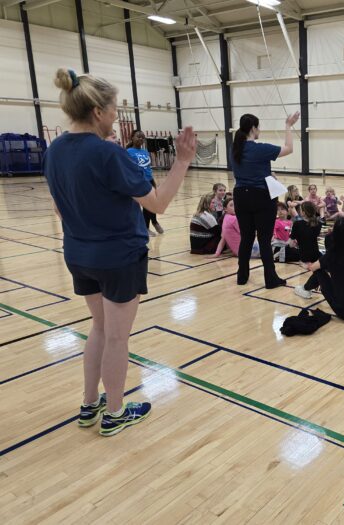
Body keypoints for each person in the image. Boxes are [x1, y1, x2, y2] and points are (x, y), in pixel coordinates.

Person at [44, 68, 195, 436]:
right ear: (98, 112)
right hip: (118, 258)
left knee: (99, 329)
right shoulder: (108, 154)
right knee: (116, 338)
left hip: (78, 256)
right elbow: (157, 203)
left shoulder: (55, 149)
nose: (117, 117)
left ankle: (88, 403)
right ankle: (114, 412)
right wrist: (182, 161)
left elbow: (60, 209)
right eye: (114, 110)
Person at [232, 111, 300, 289]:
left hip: (240, 195)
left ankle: (242, 276)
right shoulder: (260, 148)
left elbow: (248, 170)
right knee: (264, 238)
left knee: (246, 238)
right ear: (253, 128)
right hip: (261, 196)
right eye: (258, 127)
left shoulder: (235, 150)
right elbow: (289, 148)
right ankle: (270, 279)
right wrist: (288, 126)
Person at [127, 130, 163, 236]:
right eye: (138, 137)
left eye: (143, 138)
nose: (141, 139)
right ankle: (146, 227)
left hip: (149, 180)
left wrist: (153, 182)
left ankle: (154, 221)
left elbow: (147, 168)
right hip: (138, 182)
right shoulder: (128, 152)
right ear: (132, 137)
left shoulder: (145, 152)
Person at [292, 202, 323, 299]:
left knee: (318, 271)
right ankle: (316, 284)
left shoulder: (297, 224)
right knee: (320, 268)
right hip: (315, 253)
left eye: (300, 210)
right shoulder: (318, 224)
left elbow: (291, 243)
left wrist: (297, 241)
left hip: (304, 255)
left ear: (304, 212)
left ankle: (309, 286)